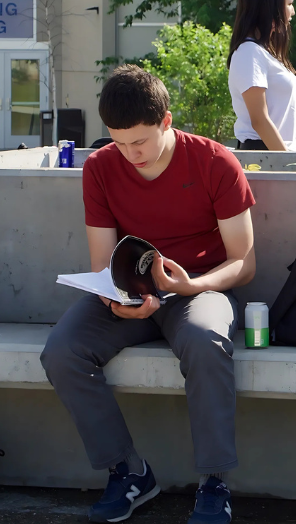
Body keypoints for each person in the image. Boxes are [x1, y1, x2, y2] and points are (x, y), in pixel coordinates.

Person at [39, 65, 255, 524]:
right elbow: (103, 261)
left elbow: (243, 262)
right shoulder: (100, 167)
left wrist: (191, 285)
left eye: (140, 141)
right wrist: (124, 299)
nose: (130, 153)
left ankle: (214, 482)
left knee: (204, 341)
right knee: (62, 350)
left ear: (166, 122)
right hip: (131, 292)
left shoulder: (215, 162)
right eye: (118, 142)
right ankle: (129, 471)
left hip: (199, 287)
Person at [227, 0, 296, 151]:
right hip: (267, 158)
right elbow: (259, 120)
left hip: (278, 157)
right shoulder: (249, 53)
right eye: (289, 4)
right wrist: (287, 165)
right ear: (271, 6)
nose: (293, 12)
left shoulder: (262, 52)